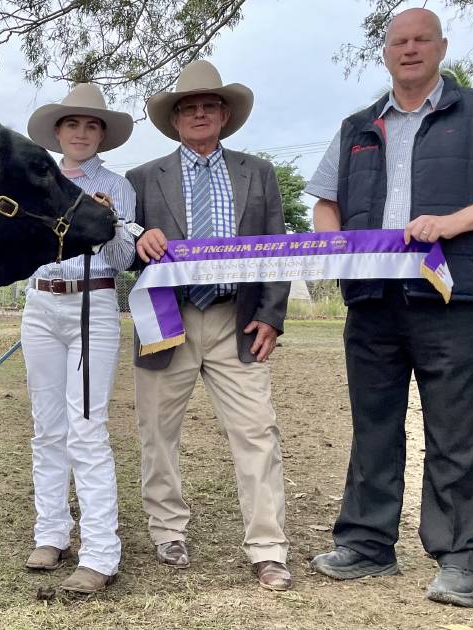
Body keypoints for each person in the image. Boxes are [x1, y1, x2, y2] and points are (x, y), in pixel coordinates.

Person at [304, 8, 473, 608]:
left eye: (420, 40)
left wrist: (451, 224)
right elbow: (325, 203)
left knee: (454, 426)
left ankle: (460, 555)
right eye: (398, 41)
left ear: (440, 47)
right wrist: (333, 241)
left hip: (453, 294)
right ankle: (365, 544)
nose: (409, 49)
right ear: (385, 52)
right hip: (372, 296)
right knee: (372, 423)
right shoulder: (357, 125)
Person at [126, 60, 293, 591]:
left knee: (257, 433)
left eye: (209, 106)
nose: (199, 114)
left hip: (236, 322)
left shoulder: (258, 173)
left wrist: (271, 316)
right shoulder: (141, 179)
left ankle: (268, 547)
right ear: (175, 120)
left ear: (224, 115)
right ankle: (167, 529)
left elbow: (277, 250)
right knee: (157, 433)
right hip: (166, 320)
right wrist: (138, 241)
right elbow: (122, 251)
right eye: (189, 108)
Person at [20, 83, 139, 594]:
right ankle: (51, 533)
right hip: (41, 304)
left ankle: (100, 552)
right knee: (47, 427)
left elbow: (126, 262)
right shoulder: (33, 183)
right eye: (73, 124)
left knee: (86, 427)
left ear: (103, 136)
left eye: (93, 126)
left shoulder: (119, 185)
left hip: (94, 304)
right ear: (58, 132)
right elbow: (21, 249)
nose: (82, 133)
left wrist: (108, 223)